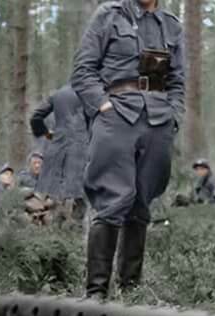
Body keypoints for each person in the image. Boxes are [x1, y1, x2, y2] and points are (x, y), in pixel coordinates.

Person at [72, 0, 185, 298]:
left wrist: (174, 116)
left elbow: (177, 80)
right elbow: (83, 70)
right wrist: (102, 105)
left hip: (158, 119)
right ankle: (96, 294)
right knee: (113, 199)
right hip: (117, 115)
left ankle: (130, 292)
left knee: (141, 204)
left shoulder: (170, 24)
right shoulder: (110, 15)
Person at [30, 83, 89, 222]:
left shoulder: (58, 94)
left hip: (58, 148)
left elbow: (35, 118)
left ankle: (55, 233)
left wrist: (45, 132)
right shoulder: (92, 94)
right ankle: (74, 233)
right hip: (81, 151)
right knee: (79, 197)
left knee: (55, 196)